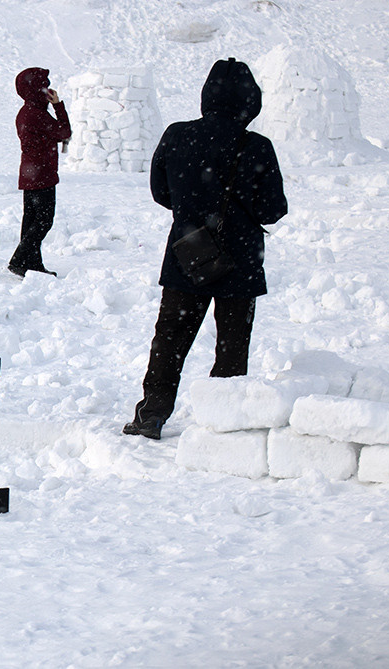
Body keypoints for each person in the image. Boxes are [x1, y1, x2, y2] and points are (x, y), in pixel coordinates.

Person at [123, 58, 288, 440]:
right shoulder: (257, 146)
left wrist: (193, 209)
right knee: (232, 347)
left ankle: (152, 414)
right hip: (241, 263)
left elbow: (161, 192)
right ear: (250, 101)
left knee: (170, 340)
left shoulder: (177, 135)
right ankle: (223, 420)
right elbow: (273, 209)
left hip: (189, 254)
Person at [8, 67, 72, 278]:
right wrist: (58, 106)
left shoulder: (26, 112)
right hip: (42, 174)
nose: (48, 89)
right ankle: (19, 260)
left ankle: (33, 265)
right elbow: (64, 132)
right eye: (44, 85)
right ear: (35, 89)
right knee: (44, 220)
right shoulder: (37, 115)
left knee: (31, 221)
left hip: (30, 174)